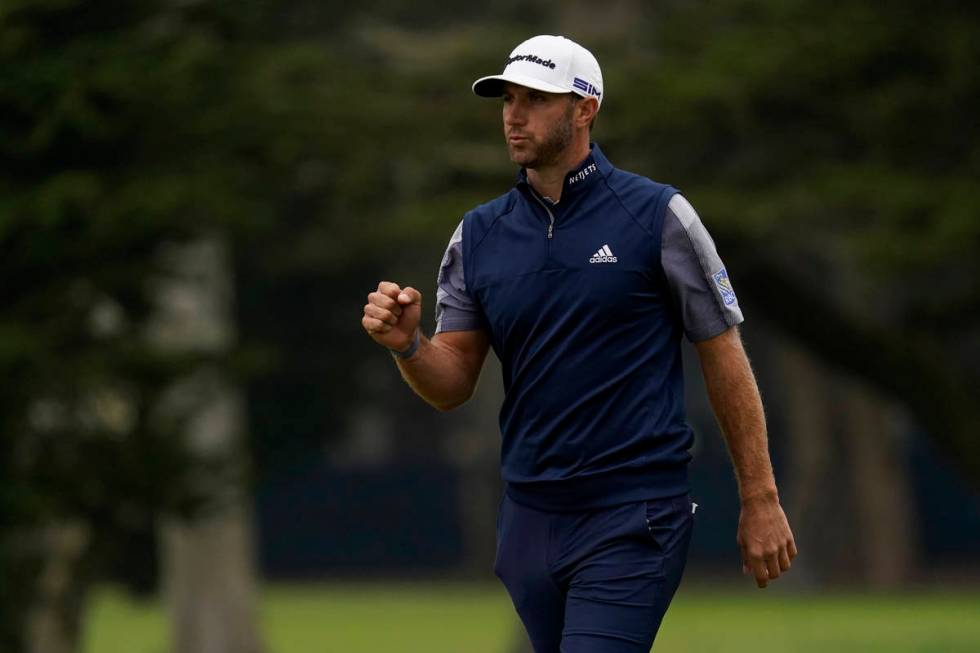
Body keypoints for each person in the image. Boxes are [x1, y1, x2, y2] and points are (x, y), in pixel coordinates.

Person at [361, 34, 797, 653]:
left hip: (634, 513)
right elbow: (453, 381)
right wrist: (409, 345)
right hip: (529, 520)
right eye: (507, 99)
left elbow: (723, 355)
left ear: (584, 108)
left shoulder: (659, 217)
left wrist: (761, 498)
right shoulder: (478, 235)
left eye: (535, 99)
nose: (513, 114)